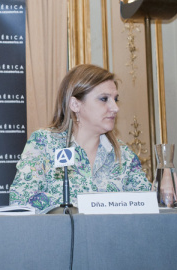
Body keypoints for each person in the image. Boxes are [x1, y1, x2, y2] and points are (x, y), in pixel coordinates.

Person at [9, 64, 151, 213]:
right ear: (75, 104)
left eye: (115, 99)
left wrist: (163, 191)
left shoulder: (123, 154)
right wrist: (80, 206)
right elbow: (20, 201)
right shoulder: (44, 143)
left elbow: (147, 205)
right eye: (104, 99)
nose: (115, 108)